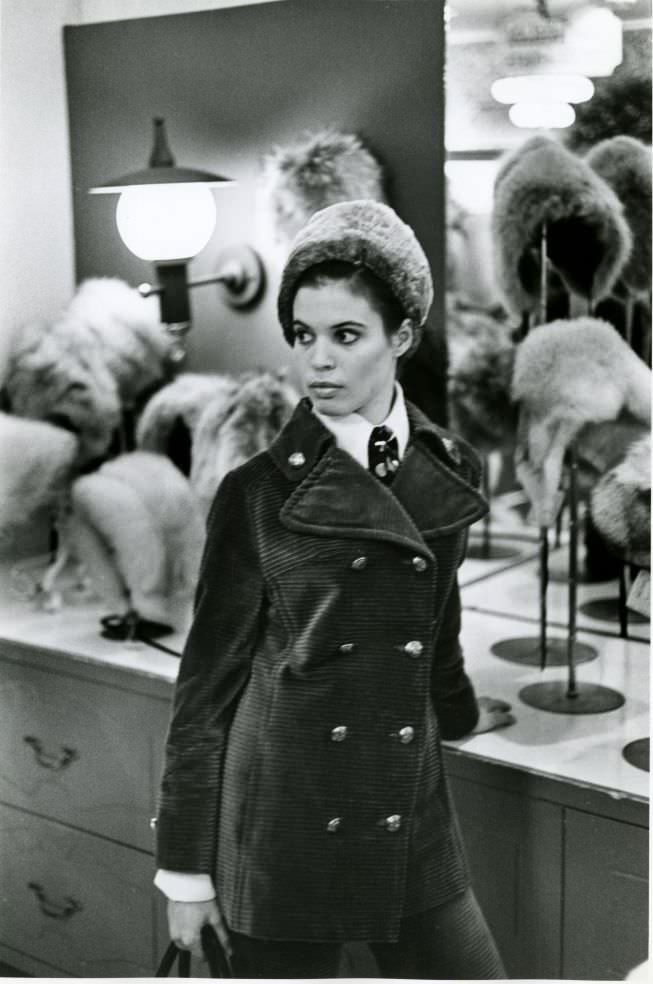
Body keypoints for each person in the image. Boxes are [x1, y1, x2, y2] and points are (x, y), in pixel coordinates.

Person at [154, 200, 515, 979]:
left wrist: (458, 712)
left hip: (405, 803)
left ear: (403, 337)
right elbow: (203, 695)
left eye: (345, 336)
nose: (317, 361)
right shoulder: (254, 493)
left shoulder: (451, 465)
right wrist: (184, 872)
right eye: (303, 336)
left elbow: (435, 619)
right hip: (282, 816)